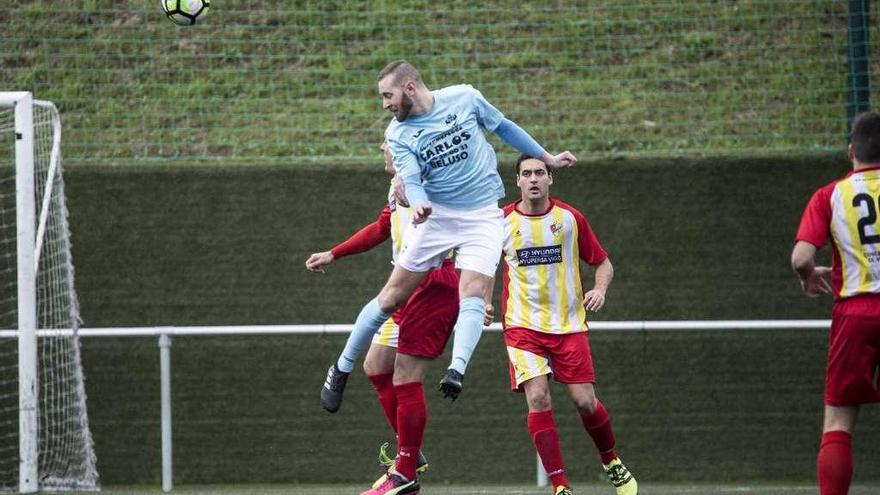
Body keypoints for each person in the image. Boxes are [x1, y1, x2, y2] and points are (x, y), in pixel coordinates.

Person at [324, 60, 576, 435]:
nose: (384, 105)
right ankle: (341, 368)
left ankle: (456, 370)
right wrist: (422, 201)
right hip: (437, 218)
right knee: (391, 298)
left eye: (387, 95)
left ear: (409, 87)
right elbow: (410, 177)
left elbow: (503, 127)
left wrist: (547, 155)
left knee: (474, 292)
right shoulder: (398, 133)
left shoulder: (465, 97)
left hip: (482, 216)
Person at [306, 141, 459, 494]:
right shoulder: (396, 188)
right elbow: (381, 227)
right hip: (405, 285)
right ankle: (411, 453)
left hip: (432, 284)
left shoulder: (431, 183)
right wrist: (334, 253)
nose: (381, 149)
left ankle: (404, 471)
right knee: (376, 366)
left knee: (406, 374)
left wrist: (477, 295)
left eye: (387, 145)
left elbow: (469, 236)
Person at [492, 155, 638, 495]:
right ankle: (561, 487)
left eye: (539, 173)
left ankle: (612, 462)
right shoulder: (499, 222)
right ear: (517, 181)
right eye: (526, 174)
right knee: (539, 397)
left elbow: (603, 263)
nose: (533, 179)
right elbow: (484, 266)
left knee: (586, 402)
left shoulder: (570, 219)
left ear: (550, 179)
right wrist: (482, 301)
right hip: (522, 327)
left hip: (569, 326)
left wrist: (600, 289)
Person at [791, 111, 880, 495]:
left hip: (855, 314)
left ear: (850, 152)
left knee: (838, 422)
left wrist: (808, 275)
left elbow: (800, 258)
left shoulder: (829, 196)